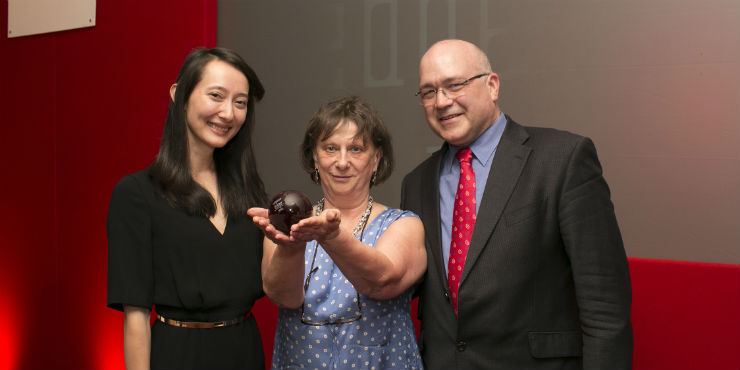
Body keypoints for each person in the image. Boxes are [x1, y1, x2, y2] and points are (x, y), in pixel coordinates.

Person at [400, 39, 633, 369]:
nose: (441, 101)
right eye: (428, 92)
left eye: (454, 85)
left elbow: (605, 308)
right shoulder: (416, 183)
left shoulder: (562, 160)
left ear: (492, 86)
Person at [107, 47, 268, 370]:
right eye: (216, 96)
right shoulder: (137, 193)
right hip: (178, 354)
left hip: (244, 351)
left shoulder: (250, 191)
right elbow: (136, 317)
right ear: (179, 94)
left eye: (240, 103)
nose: (228, 113)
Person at [248, 96, 427, 369]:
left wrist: (332, 236)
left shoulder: (403, 224)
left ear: (376, 159)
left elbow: (381, 281)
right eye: (330, 148)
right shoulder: (288, 226)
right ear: (315, 158)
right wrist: (292, 244)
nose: (342, 162)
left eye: (356, 149)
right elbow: (283, 297)